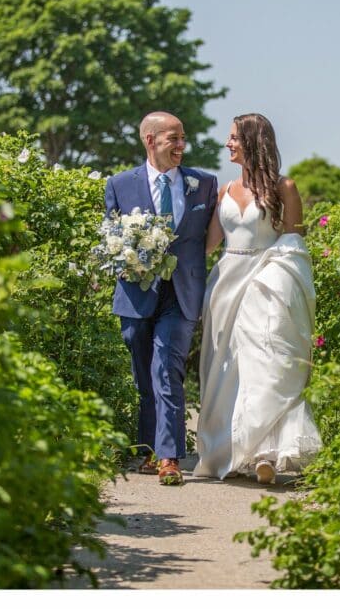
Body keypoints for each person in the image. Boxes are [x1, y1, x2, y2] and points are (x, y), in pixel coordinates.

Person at [193, 113, 322, 484]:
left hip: (266, 281)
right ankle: (229, 451)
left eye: (234, 137)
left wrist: (279, 283)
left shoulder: (285, 188)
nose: (228, 144)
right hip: (226, 284)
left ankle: (266, 451)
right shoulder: (224, 191)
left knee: (266, 362)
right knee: (225, 369)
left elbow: (294, 243)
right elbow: (209, 245)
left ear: (252, 141)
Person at [105, 111, 218, 485]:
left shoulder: (203, 184)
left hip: (182, 293)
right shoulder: (120, 184)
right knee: (144, 375)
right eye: (174, 138)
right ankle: (148, 451)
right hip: (136, 295)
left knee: (166, 369)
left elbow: (208, 238)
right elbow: (111, 241)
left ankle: (170, 457)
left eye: (183, 138)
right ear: (150, 141)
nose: (182, 145)